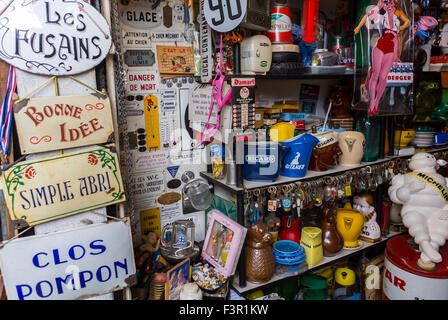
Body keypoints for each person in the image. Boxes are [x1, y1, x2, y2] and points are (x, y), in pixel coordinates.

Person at [354, 0, 410, 115]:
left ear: (395, 8)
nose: (390, 6)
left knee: (383, 77)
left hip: (390, 49)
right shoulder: (380, 16)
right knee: (376, 74)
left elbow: (396, 39)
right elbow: (366, 15)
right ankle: (372, 103)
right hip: (379, 47)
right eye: (388, 4)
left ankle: (376, 103)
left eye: (392, 5)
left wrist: (395, 55)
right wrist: (358, 27)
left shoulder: (396, 22)